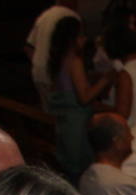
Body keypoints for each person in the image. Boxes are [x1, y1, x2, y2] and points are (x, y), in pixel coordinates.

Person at [46, 15, 113, 180]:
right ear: (73, 39)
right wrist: (106, 79)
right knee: (80, 172)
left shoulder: (58, 60)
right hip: (77, 125)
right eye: (81, 35)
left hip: (65, 123)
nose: (84, 39)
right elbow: (84, 97)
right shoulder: (74, 60)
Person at [26, 0, 80, 110]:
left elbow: (28, 47)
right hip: (59, 75)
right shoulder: (72, 17)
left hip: (39, 72)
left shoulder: (44, 16)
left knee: (49, 112)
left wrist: (38, 62)